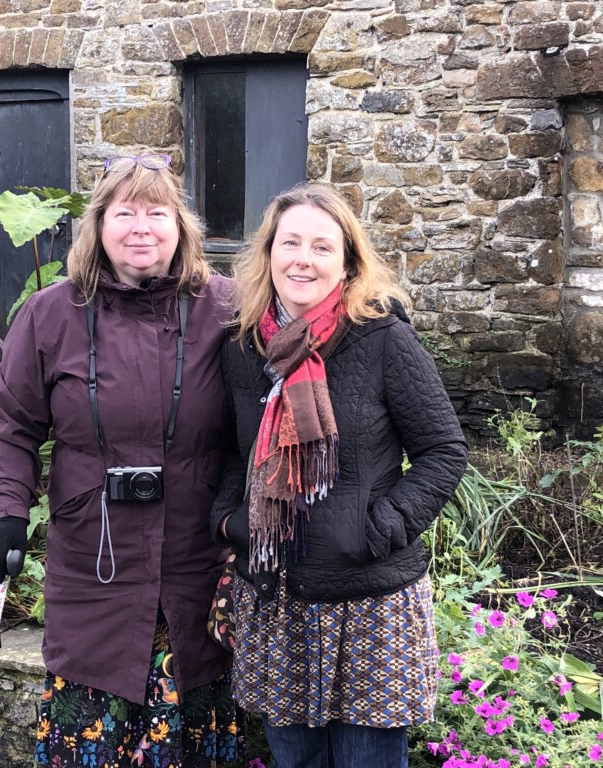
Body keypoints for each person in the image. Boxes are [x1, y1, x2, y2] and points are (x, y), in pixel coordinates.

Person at [0, 152, 240, 767]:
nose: (141, 227)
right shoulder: (50, 315)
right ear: (98, 225)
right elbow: (11, 425)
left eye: (157, 212)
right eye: (124, 213)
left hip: (193, 560)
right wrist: (8, 509)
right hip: (93, 562)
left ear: (182, 226)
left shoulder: (227, 310)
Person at [210, 184, 468, 768]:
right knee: (295, 759)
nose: (303, 259)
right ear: (268, 253)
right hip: (278, 597)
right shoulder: (244, 348)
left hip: (370, 602)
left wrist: (377, 529)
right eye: (290, 242)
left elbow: (444, 449)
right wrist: (229, 521)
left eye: (322, 247)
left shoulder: (383, 339)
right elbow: (233, 449)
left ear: (348, 261)